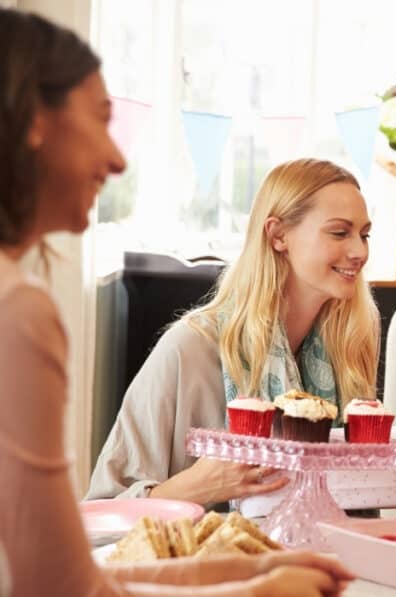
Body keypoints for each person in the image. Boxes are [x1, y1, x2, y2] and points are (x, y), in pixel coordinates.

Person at [0, 8, 351, 596]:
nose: (117, 159)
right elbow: (58, 583)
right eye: (100, 120)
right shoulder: (19, 310)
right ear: (38, 124)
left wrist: (240, 569)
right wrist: (257, 592)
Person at [88, 157, 379, 505]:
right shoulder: (190, 347)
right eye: (339, 233)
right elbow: (102, 512)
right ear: (278, 235)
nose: (360, 251)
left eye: (364, 235)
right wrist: (197, 488)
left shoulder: (349, 346)